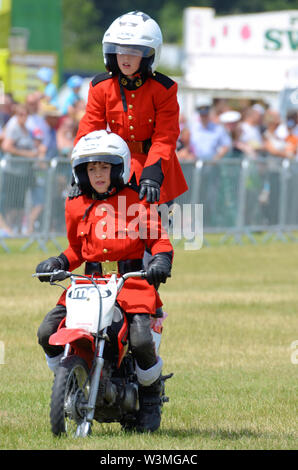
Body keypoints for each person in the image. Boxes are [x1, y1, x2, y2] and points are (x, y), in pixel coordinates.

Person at [35, 130, 173, 433]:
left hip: (131, 285)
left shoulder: (136, 200)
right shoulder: (75, 203)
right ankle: (70, 383)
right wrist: (57, 262)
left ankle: (149, 398)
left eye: (104, 167)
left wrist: (162, 260)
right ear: (81, 172)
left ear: (119, 167)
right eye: (91, 168)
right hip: (88, 284)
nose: (98, 174)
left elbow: (159, 241)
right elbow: (76, 250)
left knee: (140, 340)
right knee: (47, 331)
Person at [73, 11, 188, 206]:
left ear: (149, 55)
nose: (125, 58)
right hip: (113, 166)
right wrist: (81, 170)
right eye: (120, 50)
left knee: (156, 232)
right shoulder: (100, 87)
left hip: (155, 167)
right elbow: (89, 131)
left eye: (134, 51)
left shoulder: (164, 89)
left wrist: (153, 174)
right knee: (110, 231)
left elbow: (165, 137)